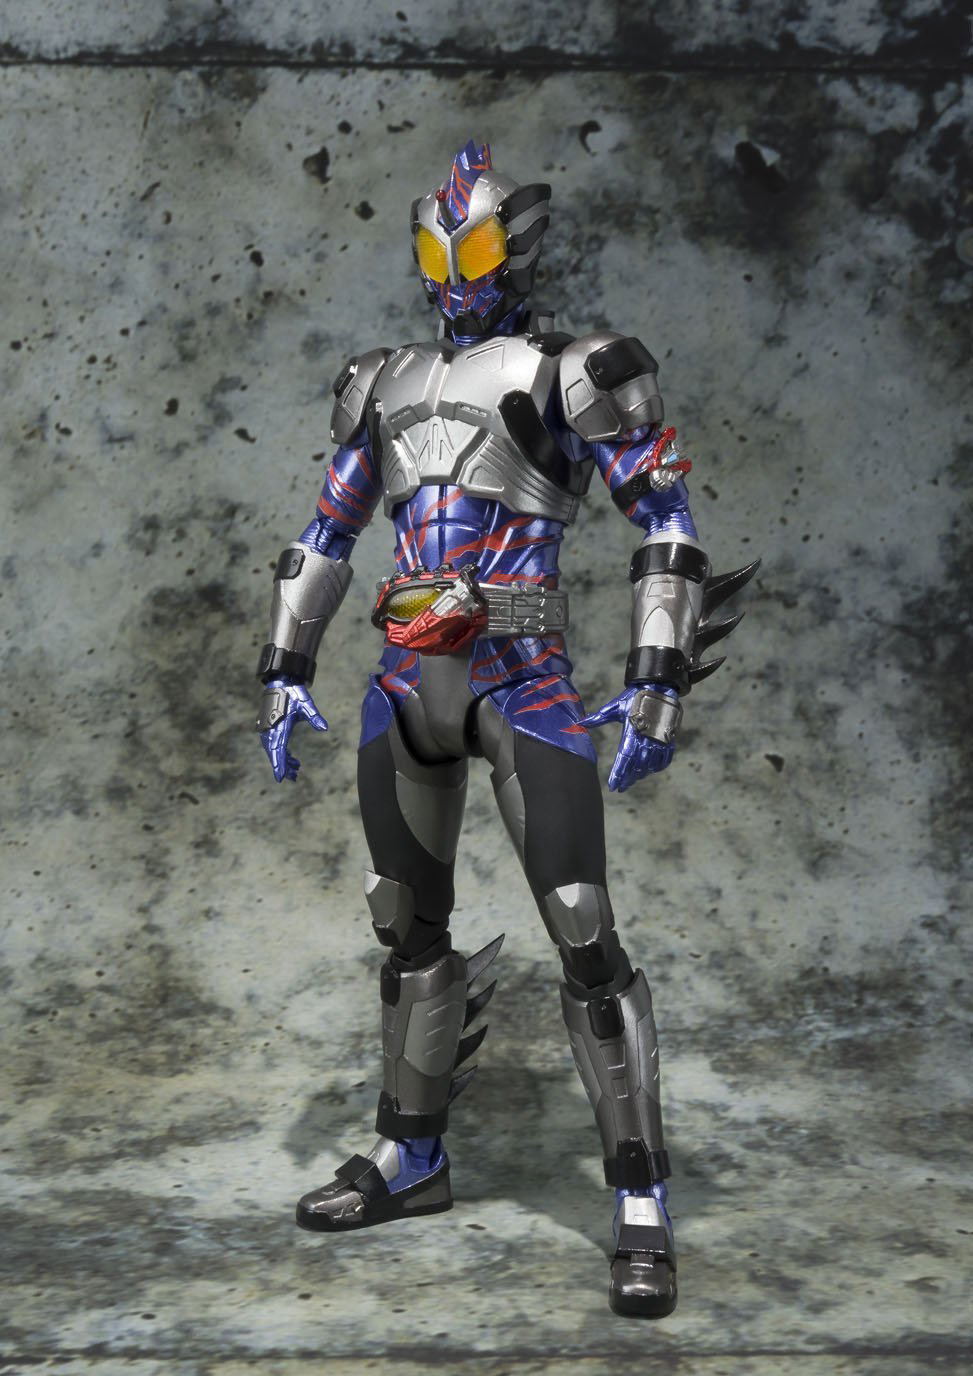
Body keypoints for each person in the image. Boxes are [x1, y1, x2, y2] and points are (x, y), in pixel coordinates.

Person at [255, 140, 756, 1318]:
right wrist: (283, 665)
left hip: (520, 677)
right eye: (437, 246)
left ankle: (639, 1192)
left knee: (581, 926)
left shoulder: (575, 369)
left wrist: (657, 676)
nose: (453, 269)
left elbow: (666, 520)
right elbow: (326, 532)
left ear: (515, 249)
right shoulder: (380, 380)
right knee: (404, 924)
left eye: (474, 244)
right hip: (403, 679)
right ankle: (411, 1153)